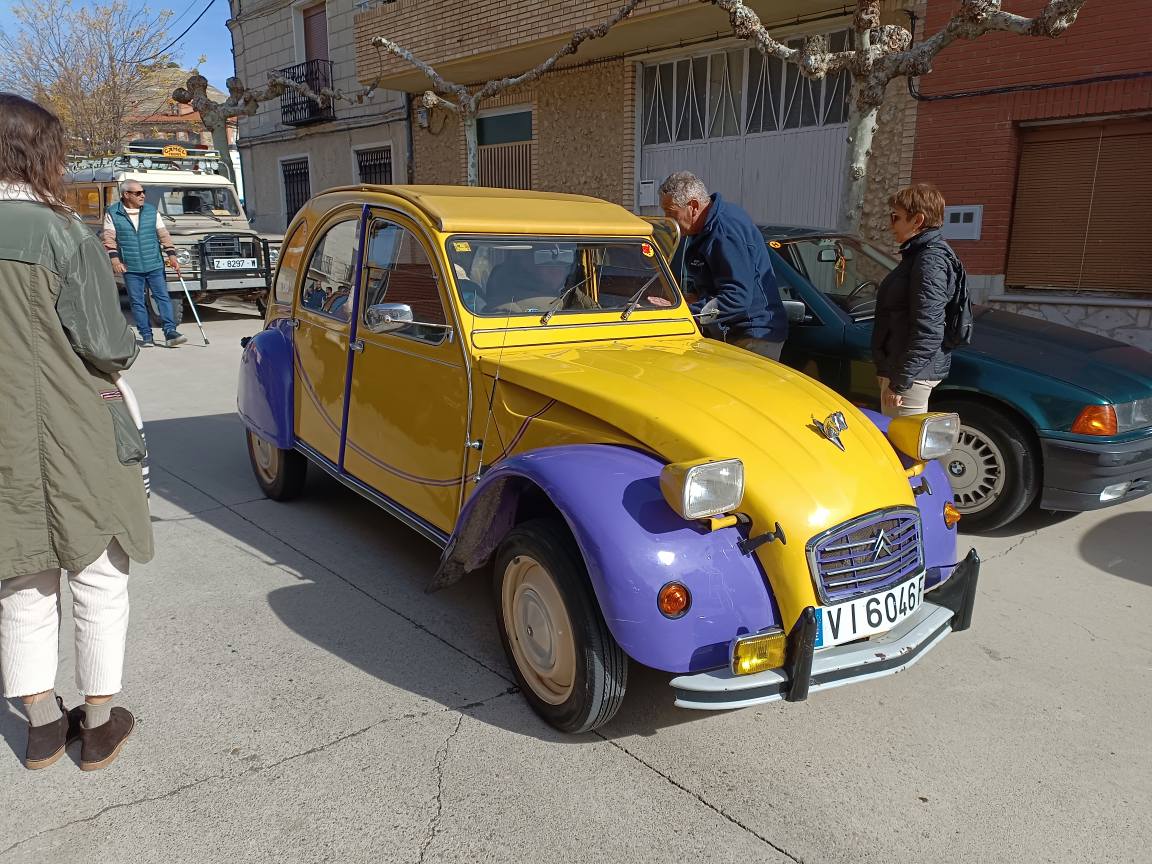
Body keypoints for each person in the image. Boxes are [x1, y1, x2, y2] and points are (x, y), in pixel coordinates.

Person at [0, 93, 153, 771]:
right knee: (98, 573)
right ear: (37, 153)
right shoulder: (63, 235)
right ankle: (96, 726)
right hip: (76, 427)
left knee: (22, 579)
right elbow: (109, 348)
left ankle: (38, 725)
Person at [659, 171, 787, 360]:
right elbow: (714, 287)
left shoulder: (724, 231)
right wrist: (681, 301)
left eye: (671, 212)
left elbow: (737, 297)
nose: (667, 219)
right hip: (740, 333)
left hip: (755, 336)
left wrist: (684, 313)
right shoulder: (706, 229)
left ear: (693, 206)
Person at [873, 183, 964, 417]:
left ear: (918, 220)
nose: (891, 224)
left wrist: (900, 381)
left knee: (902, 448)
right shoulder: (919, 255)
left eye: (896, 217)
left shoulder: (929, 261)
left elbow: (929, 330)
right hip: (908, 371)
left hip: (912, 377)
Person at [103, 180, 187, 347]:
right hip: (131, 266)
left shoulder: (151, 211)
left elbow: (164, 235)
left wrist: (172, 256)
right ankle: (146, 335)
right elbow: (109, 240)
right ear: (126, 195)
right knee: (137, 301)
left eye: (143, 192)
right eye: (138, 193)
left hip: (154, 264)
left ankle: (170, 332)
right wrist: (115, 261)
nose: (143, 196)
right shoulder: (113, 213)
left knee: (162, 298)